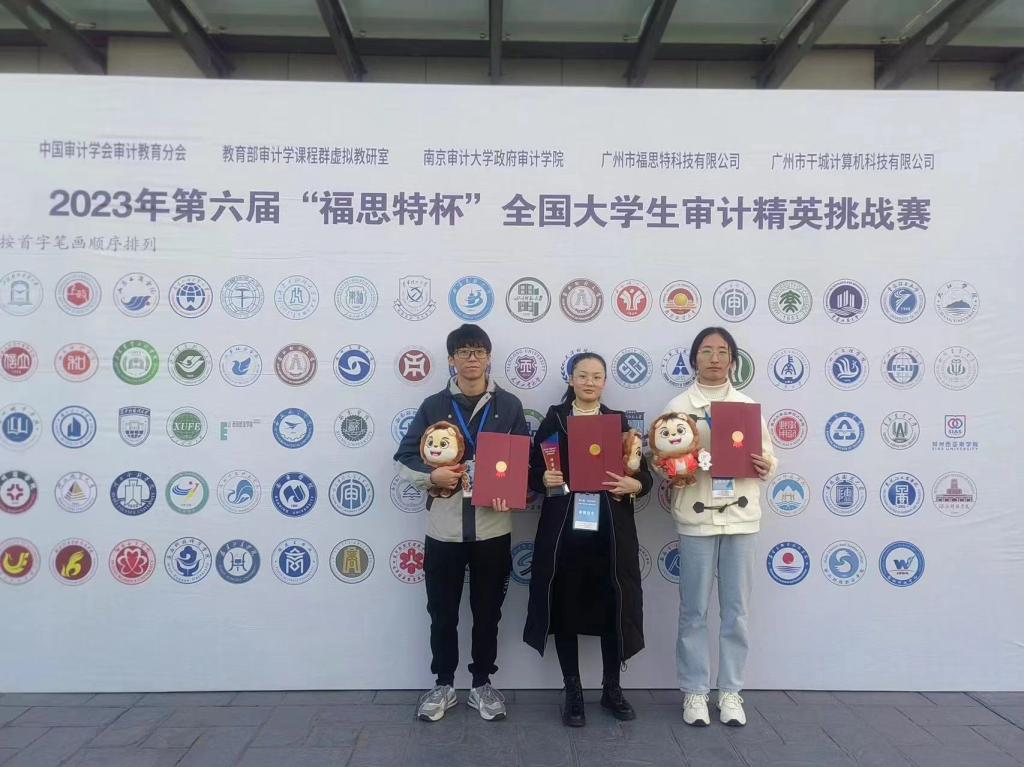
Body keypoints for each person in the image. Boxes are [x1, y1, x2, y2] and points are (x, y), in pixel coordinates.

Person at [394, 323, 530, 722]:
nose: (472, 359)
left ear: (489, 357)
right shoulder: (433, 406)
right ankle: (443, 684)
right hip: (444, 530)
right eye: (464, 352)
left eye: (479, 351)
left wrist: (514, 489)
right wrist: (431, 475)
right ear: (451, 359)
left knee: (488, 613)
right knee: (442, 613)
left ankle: (482, 684)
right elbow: (405, 457)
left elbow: (523, 461)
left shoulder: (509, 405)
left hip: (492, 528)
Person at [523, 352, 653, 727]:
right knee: (565, 606)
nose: (590, 382)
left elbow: (642, 473)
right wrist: (542, 478)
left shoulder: (618, 422)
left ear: (605, 381)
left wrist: (635, 485)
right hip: (565, 529)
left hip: (609, 531)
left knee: (614, 606)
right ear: (571, 379)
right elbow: (533, 469)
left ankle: (612, 688)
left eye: (597, 376)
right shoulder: (555, 419)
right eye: (583, 375)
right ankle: (573, 691)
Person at [658, 327, 776, 728]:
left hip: (741, 517)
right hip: (696, 516)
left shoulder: (747, 407)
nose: (714, 358)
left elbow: (769, 458)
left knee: (736, 609)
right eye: (706, 351)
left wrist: (765, 465)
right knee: (693, 609)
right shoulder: (678, 407)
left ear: (733, 360)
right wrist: (672, 469)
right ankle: (694, 691)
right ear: (694, 358)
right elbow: (663, 458)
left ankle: (730, 691)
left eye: (722, 351)